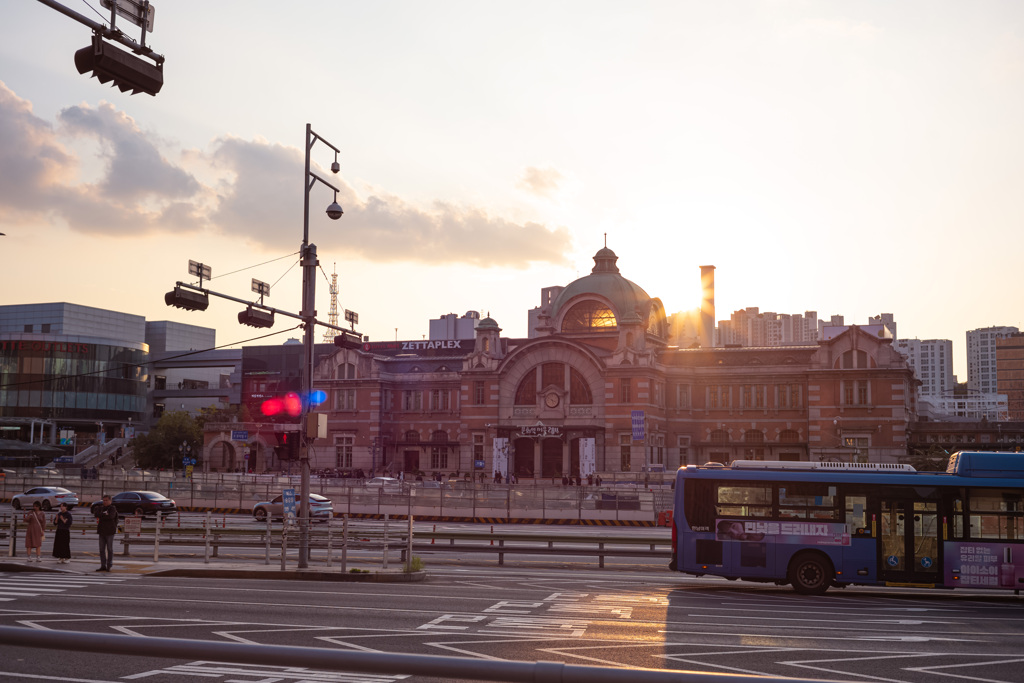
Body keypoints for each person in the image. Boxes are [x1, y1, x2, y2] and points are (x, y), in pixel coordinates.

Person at [95, 494, 119, 572]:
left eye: (106, 500)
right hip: (101, 531)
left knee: (109, 548)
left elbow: (111, 516)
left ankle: (109, 564)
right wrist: (104, 514)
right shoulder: (101, 508)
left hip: (110, 531)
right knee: (101, 549)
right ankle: (103, 565)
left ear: (110, 501)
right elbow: (96, 514)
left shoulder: (113, 508)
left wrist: (103, 515)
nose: (105, 502)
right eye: (104, 500)